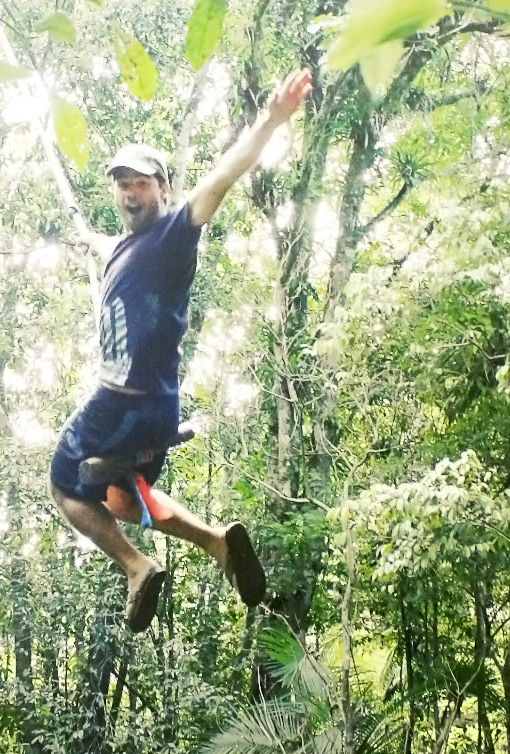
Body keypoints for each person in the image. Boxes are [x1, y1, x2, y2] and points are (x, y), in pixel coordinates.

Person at [49, 66, 315, 634]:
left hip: (121, 402)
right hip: (155, 413)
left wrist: (271, 119)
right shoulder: (127, 247)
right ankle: (217, 543)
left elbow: (221, 179)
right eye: (123, 182)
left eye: (142, 182)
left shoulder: (171, 236)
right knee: (122, 500)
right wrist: (90, 242)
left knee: (62, 482)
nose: (131, 191)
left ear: (163, 190)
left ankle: (137, 568)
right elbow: (112, 249)